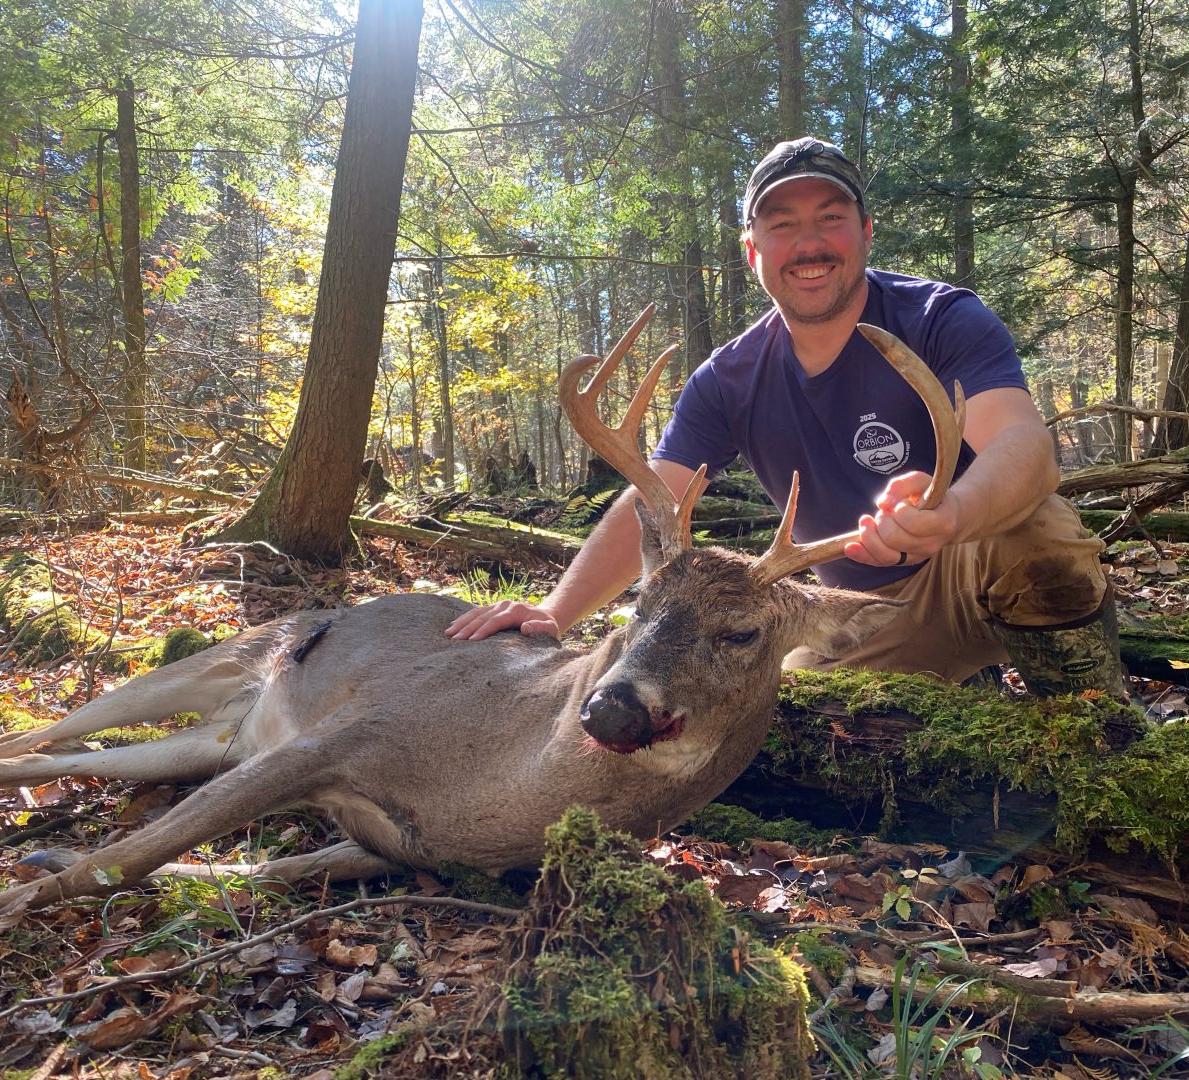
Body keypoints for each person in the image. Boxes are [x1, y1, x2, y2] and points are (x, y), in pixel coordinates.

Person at [447, 136, 1123, 698]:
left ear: (865, 231)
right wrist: (556, 611)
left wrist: (953, 514)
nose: (809, 244)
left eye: (830, 218)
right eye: (782, 225)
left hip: (969, 563)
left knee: (1040, 534)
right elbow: (653, 500)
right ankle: (960, 687)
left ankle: (1098, 728)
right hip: (854, 616)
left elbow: (1023, 444)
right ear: (753, 252)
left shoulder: (939, 318)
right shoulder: (730, 380)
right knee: (777, 731)